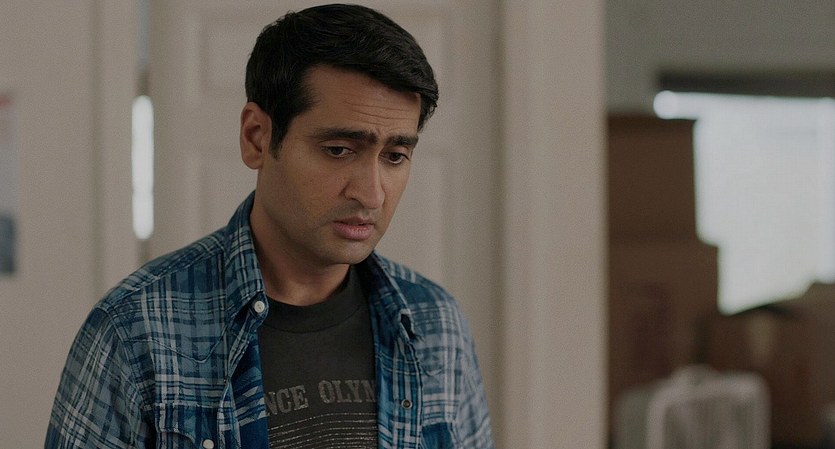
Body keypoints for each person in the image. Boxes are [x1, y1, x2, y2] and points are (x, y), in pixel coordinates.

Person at [46, 4, 494, 448]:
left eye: (395, 156)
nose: (372, 194)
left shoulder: (437, 325)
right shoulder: (135, 330)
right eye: (338, 150)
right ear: (256, 137)